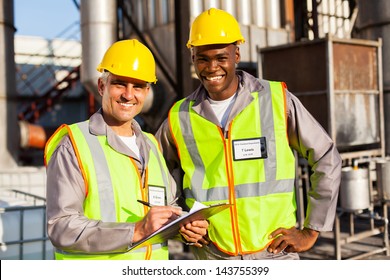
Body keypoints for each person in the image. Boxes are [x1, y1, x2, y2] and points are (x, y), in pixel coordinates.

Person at [155, 8, 342, 260]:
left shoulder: (276, 100)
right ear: (192, 57)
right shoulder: (179, 116)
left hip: (275, 255)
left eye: (221, 57)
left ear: (236, 55)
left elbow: (326, 156)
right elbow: (156, 176)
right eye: (202, 58)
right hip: (213, 257)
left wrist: (312, 229)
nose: (212, 68)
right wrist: (180, 221)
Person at [44, 39, 208, 260]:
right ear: (102, 86)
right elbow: (62, 227)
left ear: (147, 92)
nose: (129, 95)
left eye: (138, 86)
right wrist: (135, 230)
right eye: (120, 84)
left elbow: (165, 209)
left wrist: (184, 227)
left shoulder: (151, 144)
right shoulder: (74, 144)